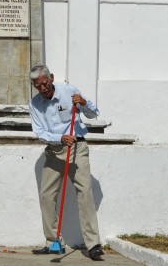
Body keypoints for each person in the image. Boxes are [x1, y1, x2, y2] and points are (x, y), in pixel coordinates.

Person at [28, 64, 105, 260]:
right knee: (46, 195)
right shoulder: (35, 103)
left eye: (44, 84)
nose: (42, 89)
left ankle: (93, 244)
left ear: (51, 78)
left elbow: (93, 114)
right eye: (37, 86)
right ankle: (53, 242)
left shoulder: (69, 91)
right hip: (55, 151)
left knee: (84, 192)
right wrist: (59, 139)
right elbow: (40, 132)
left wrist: (84, 102)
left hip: (77, 148)